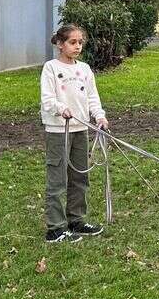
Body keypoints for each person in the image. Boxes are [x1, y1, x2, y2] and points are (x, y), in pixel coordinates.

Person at [40, 23, 110, 243]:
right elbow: (47, 99)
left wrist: (99, 116)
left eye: (80, 42)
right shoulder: (50, 68)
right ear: (60, 44)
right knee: (58, 178)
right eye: (72, 42)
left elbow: (92, 97)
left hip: (82, 129)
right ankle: (55, 228)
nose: (77, 46)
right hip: (59, 130)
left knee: (80, 176)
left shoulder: (85, 69)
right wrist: (61, 109)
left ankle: (76, 221)